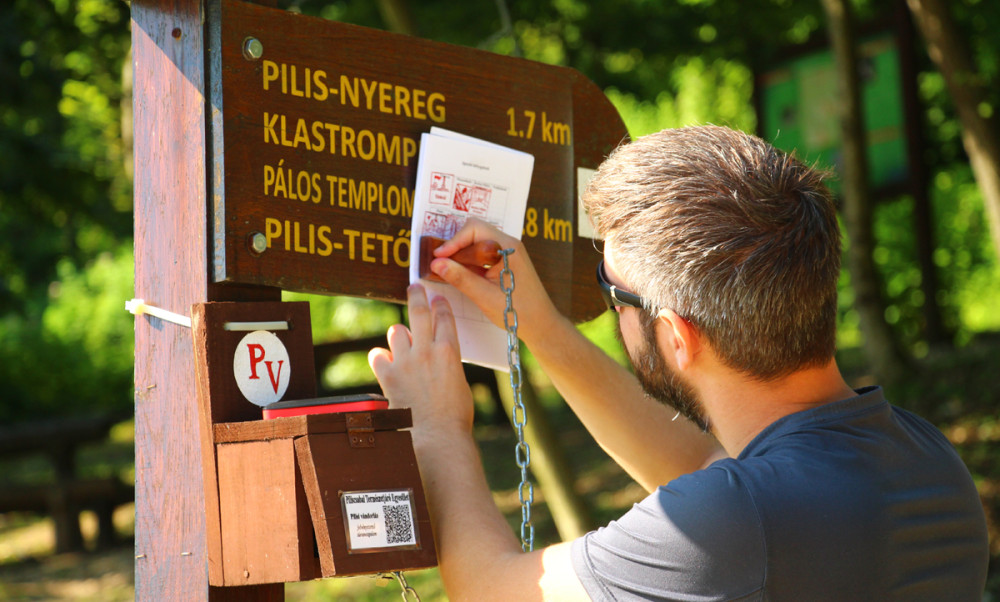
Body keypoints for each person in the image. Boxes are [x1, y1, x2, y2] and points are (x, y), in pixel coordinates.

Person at [368, 125, 989, 601]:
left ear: (674, 336)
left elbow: (493, 590)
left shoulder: (733, 522)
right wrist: (539, 325)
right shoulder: (925, 459)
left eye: (611, 292)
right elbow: (694, 461)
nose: (610, 307)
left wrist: (439, 428)